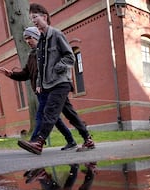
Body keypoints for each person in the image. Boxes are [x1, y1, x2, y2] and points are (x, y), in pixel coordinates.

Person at [17, 3, 95, 155]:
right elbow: (40, 68)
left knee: (50, 111)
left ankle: (38, 143)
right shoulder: (40, 43)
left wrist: (57, 67)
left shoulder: (57, 35)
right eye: (31, 18)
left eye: (35, 17)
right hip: (49, 84)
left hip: (61, 83)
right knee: (70, 114)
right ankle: (88, 139)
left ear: (44, 17)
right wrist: (39, 83)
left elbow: (70, 57)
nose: (33, 21)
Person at [0, 27, 78, 150]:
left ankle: (35, 140)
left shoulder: (46, 53)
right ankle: (71, 141)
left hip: (49, 89)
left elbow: (52, 69)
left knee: (41, 114)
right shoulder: (31, 55)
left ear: (37, 36)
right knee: (55, 119)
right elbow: (26, 74)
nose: (28, 41)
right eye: (25, 39)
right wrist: (11, 74)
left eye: (30, 37)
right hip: (40, 92)